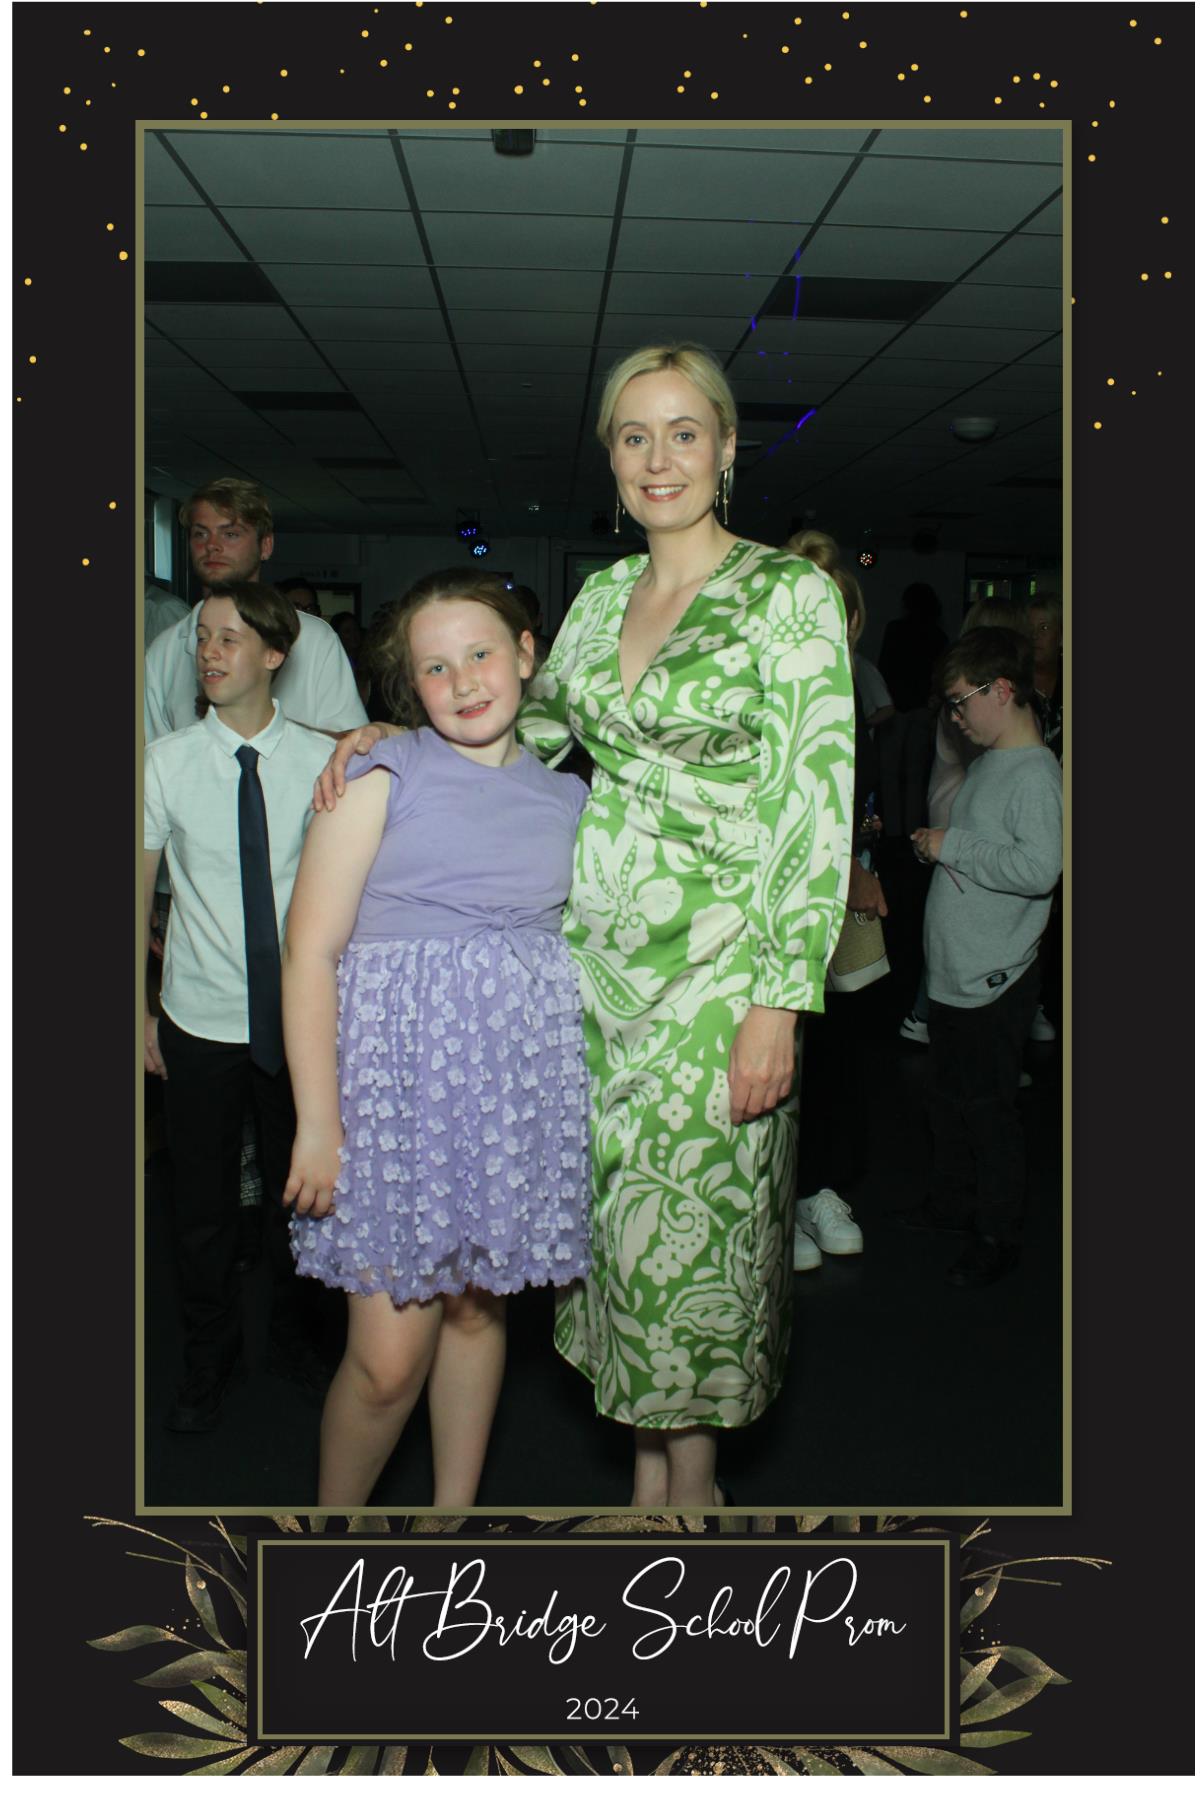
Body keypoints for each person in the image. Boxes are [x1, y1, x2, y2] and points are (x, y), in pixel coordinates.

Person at [317, 344, 855, 1509]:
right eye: (633, 436)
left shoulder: (787, 596)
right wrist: (393, 735)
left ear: (726, 448)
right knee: (622, 1257)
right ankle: (647, 1499)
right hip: (583, 985)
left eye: (684, 432)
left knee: (698, 1259)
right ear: (610, 459)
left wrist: (780, 1000)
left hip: (718, 981)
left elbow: (813, 803)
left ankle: (690, 1512)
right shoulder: (605, 598)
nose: (659, 458)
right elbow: (523, 725)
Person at [281, 571, 592, 1509]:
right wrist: (316, 1125)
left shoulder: (570, 798)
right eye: (435, 667)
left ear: (526, 655)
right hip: (392, 1105)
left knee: (474, 1317)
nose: (463, 681)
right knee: (385, 1365)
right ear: (410, 684)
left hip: (507, 1100)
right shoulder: (383, 773)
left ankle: (452, 1529)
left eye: (481, 653)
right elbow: (308, 953)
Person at [143, 582, 335, 1431]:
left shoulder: (326, 760)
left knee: (308, 1199)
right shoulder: (166, 761)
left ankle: (298, 1338)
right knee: (201, 1208)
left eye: (228, 638)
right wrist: (137, 1012)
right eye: (202, 639)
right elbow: (134, 894)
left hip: (301, 1025)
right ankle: (207, 1357)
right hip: (198, 1019)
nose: (209, 653)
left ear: (273, 653)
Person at [902, 628, 1063, 1287]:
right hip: (957, 971)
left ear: (1002, 690)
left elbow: (1041, 869)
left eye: (961, 702)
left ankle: (998, 1235)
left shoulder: (1036, 775)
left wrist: (953, 846)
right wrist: (940, 845)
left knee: (989, 1111)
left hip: (995, 979)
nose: (955, 717)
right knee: (948, 1100)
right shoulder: (992, 762)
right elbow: (981, 852)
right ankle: (953, 1204)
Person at [784, 531, 885, 1271]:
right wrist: (846, 864)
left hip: (843, 902)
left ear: (852, 621)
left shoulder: (850, 685)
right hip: (783, 899)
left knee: (837, 1052)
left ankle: (817, 1189)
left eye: (836, 609)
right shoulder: (765, 687)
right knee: (779, 1050)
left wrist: (860, 858)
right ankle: (778, 1199)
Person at [144, 479, 366, 742]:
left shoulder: (313, 637)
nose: (212, 545)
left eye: (230, 534)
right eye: (200, 534)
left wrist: (262, 727)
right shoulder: (164, 651)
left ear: (265, 546)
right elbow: (152, 756)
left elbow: (352, 744)